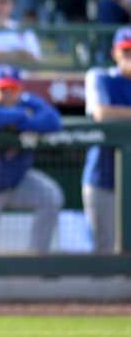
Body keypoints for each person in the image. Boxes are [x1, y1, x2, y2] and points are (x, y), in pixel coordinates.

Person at [0, 64, 63, 252]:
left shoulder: (29, 102)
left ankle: (36, 260)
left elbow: (54, 121)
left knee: (51, 197)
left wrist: (16, 120)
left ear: (20, 90)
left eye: (12, 89)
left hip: (17, 181)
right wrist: (22, 117)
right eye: (2, 89)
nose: (7, 94)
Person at [82, 27, 131, 253]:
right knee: (105, 252)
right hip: (104, 179)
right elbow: (101, 113)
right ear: (115, 53)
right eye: (126, 51)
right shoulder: (100, 76)